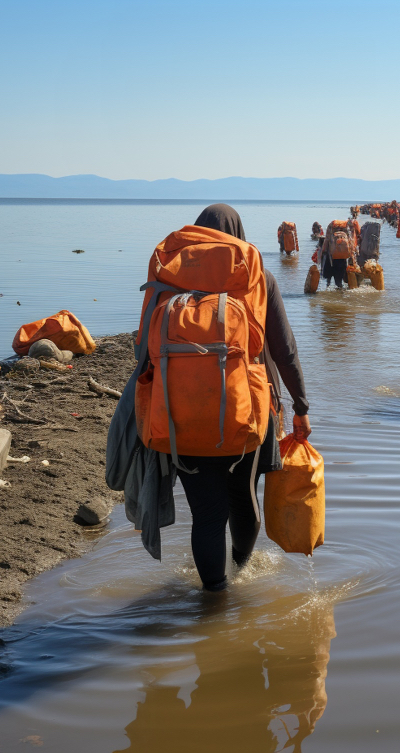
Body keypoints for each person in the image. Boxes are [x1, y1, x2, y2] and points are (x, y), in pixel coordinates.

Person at [175, 204, 310, 591]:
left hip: (182, 410)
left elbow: (146, 349)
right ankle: (239, 569)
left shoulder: (171, 276)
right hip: (248, 408)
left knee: (206, 514)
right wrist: (300, 407)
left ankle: (213, 598)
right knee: (243, 497)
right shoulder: (257, 276)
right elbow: (284, 350)